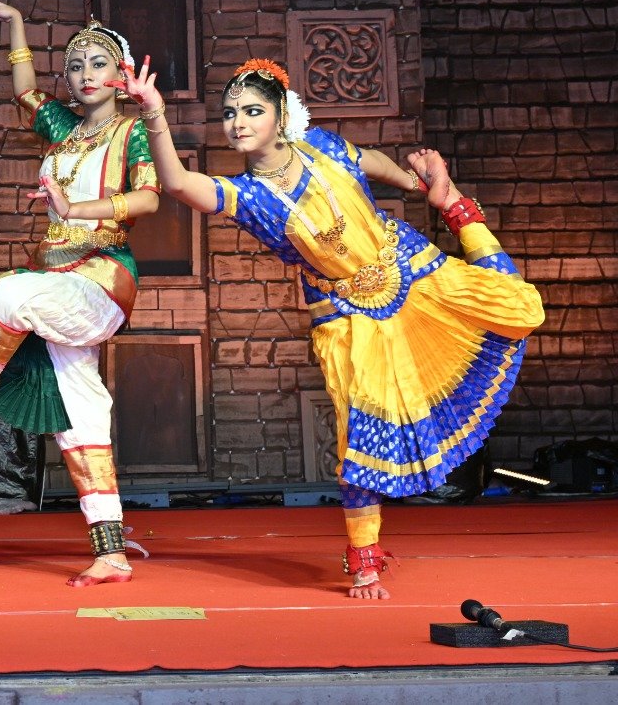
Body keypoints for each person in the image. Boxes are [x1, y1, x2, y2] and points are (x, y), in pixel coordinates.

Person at [115, 55, 544, 599]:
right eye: (229, 114)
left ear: (281, 115)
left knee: (517, 307)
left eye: (252, 111)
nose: (238, 123)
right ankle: (365, 558)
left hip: (407, 266)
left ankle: (452, 203)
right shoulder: (246, 195)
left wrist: (416, 184)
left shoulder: (323, 146)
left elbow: (370, 161)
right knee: (360, 429)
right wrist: (154, 110)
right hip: (346, 313)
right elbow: (177, 183)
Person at [0, 1, 160, 587]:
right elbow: (26, 90)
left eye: (97, 63)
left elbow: (150, 199)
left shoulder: (132, 132)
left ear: (122, 73)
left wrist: (75, 209)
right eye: (75, 65)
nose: (84, 74)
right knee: (83, 417)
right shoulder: (63, 129)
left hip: (101, 277)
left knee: (5, 295)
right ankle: (110, 550)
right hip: (56, 280)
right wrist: (15, 22)